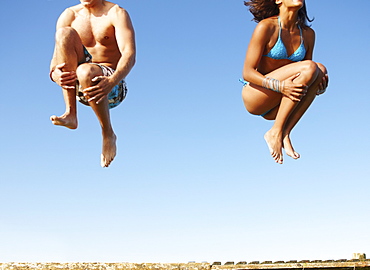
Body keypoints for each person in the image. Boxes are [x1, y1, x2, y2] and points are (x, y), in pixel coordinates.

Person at [49, 0, 136, 167]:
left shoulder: (116, 13)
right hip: (80, 85)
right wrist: (55, 75)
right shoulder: (69, 14)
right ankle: (70, 114)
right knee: (64, 34)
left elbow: (129, 55)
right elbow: (55, 61)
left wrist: (113, 80)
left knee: (85, 71)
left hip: (112, 85)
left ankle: (107, 133)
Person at [241, 0, 328, 164]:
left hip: (279, 106)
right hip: (257, 95)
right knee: (311, 67)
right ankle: (275, 132)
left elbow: (308, 76)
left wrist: (319, 86)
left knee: (319, 69)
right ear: (278, 0)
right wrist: (280, 86)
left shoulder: (308, 34)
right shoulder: (267, 27)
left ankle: (284, 132)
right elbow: (247, 72)